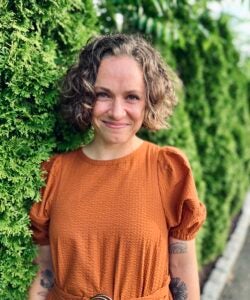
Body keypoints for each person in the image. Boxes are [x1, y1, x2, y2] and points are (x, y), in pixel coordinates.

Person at [29, 33, 206, 300]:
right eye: (103, 94)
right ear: (85, 95)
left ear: (149, 100)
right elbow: (45, 268)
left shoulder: (167, 170)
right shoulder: (54, 172)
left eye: (132, 97)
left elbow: (182, 269)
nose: (117, 111)